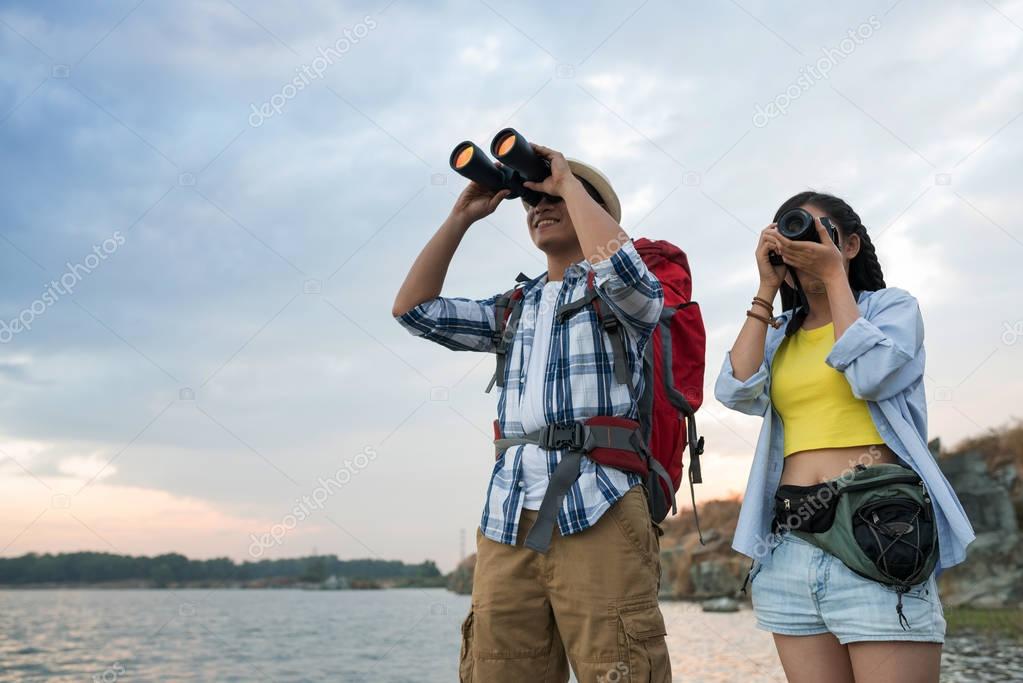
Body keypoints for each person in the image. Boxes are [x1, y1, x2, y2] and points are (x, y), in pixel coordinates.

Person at [392, 143, 671, 682]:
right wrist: (461, 217)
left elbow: (633, 285)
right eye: (529, 201)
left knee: (621, 666)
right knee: (498, 669)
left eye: (554, 198)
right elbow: (414, 311)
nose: (539, 206)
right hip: (507, 516)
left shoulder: (615, 294)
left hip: (601, 506)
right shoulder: (516, 306)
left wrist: (567, 181)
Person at [714, 191, 975, 683]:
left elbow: (873, 373)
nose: (801, 243)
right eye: (790, 233)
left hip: (881, 530)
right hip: (791, 541)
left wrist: (833, 276)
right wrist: (766, 288)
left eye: (817, 231)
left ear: (851, 244)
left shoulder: (890, 309)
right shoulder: (782, 334)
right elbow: (734, 389)